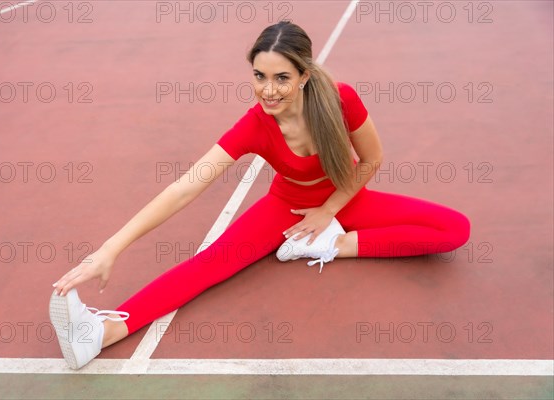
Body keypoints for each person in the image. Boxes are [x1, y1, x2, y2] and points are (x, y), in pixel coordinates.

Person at [49, 20, 471, 370]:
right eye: (259, 76)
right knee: (208, 265)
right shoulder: (255, 124)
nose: (268, 90)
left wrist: (329, 215)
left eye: (282, 78)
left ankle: (332, 245)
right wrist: (110, 249)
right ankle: (100, 333)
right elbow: (185, 188)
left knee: (455, 229)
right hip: (284, 208)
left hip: (345, 198)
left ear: (304, 75)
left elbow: (371, 160)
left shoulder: (341, 100)